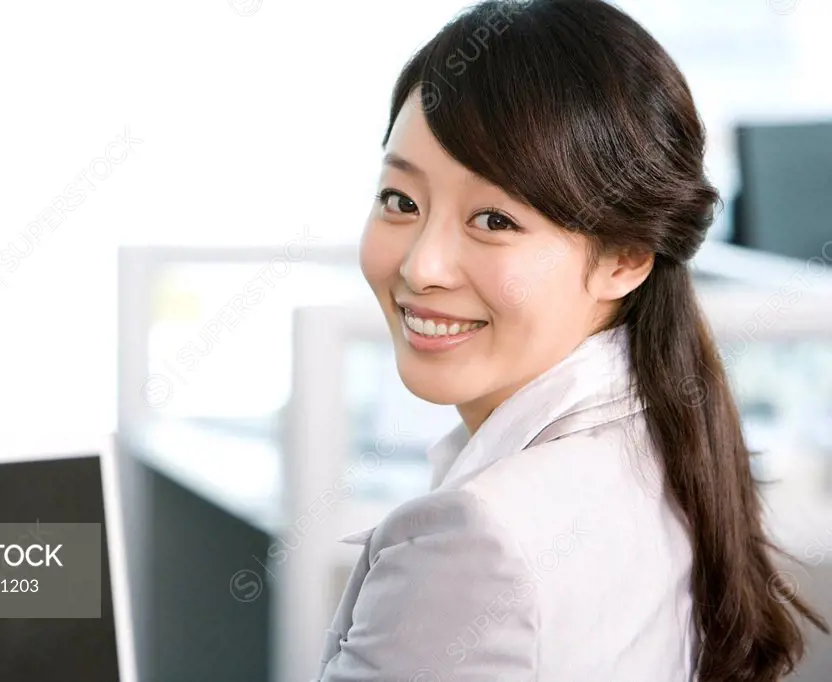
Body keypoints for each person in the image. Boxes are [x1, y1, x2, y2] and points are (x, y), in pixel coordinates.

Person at [313, 1, 827, 680]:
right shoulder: (663, 440)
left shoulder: (473, 542)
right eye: (401, 201)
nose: (420, 267)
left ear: (626, 257)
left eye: (493, 219)